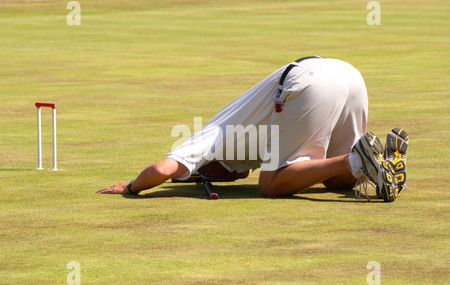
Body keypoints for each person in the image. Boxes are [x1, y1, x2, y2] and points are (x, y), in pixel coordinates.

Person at [97, 56, 408, 201]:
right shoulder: (233, 148)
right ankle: (376, 163)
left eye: (208, 172)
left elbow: (161, 169)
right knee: (334, 183)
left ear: (211, 166)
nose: (228, 177)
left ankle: (354, 160)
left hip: (310, 82)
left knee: (270, 185)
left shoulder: (211, 136)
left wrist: (130, 187)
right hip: (348, 74)